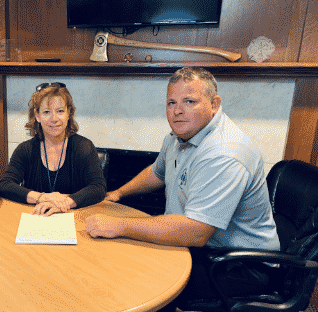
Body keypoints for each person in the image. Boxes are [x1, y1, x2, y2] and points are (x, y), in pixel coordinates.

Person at [86, 66, 280, 298]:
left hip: (240, 265)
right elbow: (156, 173)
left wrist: (120, 226)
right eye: (171, 103)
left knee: (132, 275)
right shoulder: (180, 136)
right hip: (204, 247)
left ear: (214, 104)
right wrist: (117, 193)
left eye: (190, 102)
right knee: (119, 255)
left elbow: (196, 232)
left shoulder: (225, 153)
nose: (178, 111)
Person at [0, 82, 106, 216]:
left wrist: (65, 202)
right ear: (37, 116)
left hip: (75, 217)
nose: (54, 119)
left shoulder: (84, 147)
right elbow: (5, 185)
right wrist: (43, 198)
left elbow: (98, 188)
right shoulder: (25, 149)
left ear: (69, 113)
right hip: (36, 217)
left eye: (60, 111)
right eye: (46, 112)